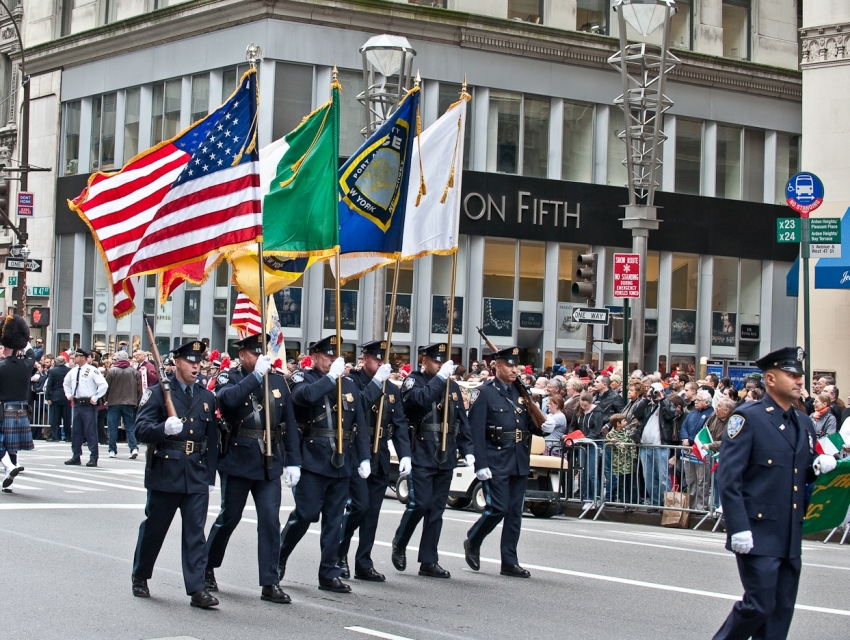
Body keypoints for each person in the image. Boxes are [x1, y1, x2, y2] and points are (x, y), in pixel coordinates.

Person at [713, 347, 837, 640]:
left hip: (789, 532)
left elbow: (798, 473)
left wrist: (818, 467)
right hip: (757, 531)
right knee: (759, 604)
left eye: (800, 376)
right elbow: (729, 477)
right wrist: (738, 527)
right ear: (770, 378)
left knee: (781, 611)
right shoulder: (748, 418)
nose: (799, 381)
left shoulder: (803, 423)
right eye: (791, 375)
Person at [205, 333, 301, 604]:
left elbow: (289, 424)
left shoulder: (279, 380)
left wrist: (294, 461)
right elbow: (228, 401)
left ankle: (270, 582)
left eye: (262, 354)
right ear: (242, 355)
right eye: (254, 354)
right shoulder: (230, 377)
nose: (260, 359)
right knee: (230, 517)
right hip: (238, 458)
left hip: (270, 461)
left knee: (270, 522)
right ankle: (207, 565)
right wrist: (255, 377)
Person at [278, 336, 370, 594]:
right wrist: (330, 379)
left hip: (342, 462)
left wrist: (364, 457)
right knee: (305, 515)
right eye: (327, 356)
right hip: (312, 461)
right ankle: (279, 556)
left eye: (335, 356)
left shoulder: (349, 384)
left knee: (334, 520)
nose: (332, 360)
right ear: (315, 356)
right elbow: (303, 398)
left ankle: (328, 573)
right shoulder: (302, 378)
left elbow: (359, 424)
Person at [131, 340, 219, 608]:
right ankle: (141, 574)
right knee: (155, 529)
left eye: (199, 362)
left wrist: (210, 476)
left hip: (195, 472)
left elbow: (212, 440)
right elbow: (140, 429)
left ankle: (196, 589)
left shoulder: (206, 397)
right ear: (177, 362)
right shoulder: (158, 393)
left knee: (195, 533)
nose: (196, 366)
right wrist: (162, 429)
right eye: (191, 361)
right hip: (166, 470)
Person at [392, 343, 474, 579]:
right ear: (423, 361)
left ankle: (429, 560)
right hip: (422, 451)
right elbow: (418, 400)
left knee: (437, 509)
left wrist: (468, 450)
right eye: (435, 361)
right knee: (420, 503)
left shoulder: (453, 386)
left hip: (445, 453)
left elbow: (461, 421)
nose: (439, 365)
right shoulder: (414, 382)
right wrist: (440, 377)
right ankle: (400, 541)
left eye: (442, 362)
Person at [337, 341, 412, 582]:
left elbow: (399, 424)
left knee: (372, 512)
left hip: (379, 453)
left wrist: (405, 454)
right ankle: (339, 554)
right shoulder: (351, 381)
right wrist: (377, 382)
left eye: (384, 360)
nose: (381, 364)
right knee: (358, 507)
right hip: (355, 453)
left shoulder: (391, 388)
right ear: (364, 358)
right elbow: (358, 404)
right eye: (376, 359)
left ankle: (364, 562)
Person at [464, 347, 538, 578]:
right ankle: (473, 539)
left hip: (518, 457)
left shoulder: (521, 393)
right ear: (496, 366)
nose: (514, 369)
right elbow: (475, 431)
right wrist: (480, 464)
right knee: (498, 508)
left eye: (516, 365)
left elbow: (530, 424)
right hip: (495, 458)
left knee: (515, 512)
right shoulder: (484, 393)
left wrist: (543, 427)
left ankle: (509, 561)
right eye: (509, 365)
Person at [0, 315, 36, 489]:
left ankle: (10, 466)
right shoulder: (27, 364)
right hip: (21, 410)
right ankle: (8, 480)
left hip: (3, 409)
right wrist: (23, 339)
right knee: (12, 446)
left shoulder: (1, 366)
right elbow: (31, 353)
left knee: (2, 444)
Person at [62, 348, 108, 467]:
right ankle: (76, 455)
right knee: (76, 431)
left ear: (82, 357)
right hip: (77, 404)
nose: (73, 358)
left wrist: (95, 397)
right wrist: (68, 395)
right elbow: (66, 383)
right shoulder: (73, 371)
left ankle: (93, 457)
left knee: (90, 431)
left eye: (76, 356)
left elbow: (103, 385)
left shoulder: (92, 370)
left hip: (88, 404)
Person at [679, 389, 714, 510]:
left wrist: (691, 440)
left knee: (701, 480)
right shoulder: (692, 413)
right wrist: (684, 438)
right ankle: (691, 505)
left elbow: (705, 431)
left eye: (699, 400)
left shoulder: (711, 413)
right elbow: (683, 426)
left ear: (706, 402)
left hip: (702, 451)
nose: (696, 402)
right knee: (690, 479)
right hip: (689, 452)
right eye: (696, 400)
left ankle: (701, 506)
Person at [104, 351, 140, 459]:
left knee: (112, 427)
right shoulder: (134, 371)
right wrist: (136, 400)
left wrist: (106, 399)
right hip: (129, 402)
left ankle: (112, 450)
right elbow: (139, 388)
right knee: (130, 426)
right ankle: (133, 448)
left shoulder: (112, 371)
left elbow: (106, 387)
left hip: (114, 402)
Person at [605, 413, 637, 507]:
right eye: (624, 421)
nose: (626, 422)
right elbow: (608, 444)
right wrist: (613, 442)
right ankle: (624, 501)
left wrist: (633, 456)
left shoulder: (627, 432)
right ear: (618, 424)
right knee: (621, 484)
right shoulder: (611, 434)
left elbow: (631, 443)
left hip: (628, 462)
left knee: (630, 483)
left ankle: (632, 501)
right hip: (618, 464)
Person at [44, 355, 72, 442]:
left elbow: (49, 385)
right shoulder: (69, 370)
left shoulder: (52, 371)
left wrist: (48, 397)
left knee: (55, 418)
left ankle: (55, 436)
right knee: (67, 418)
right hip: (66, 396)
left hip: (55, 396)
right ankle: (68, 436)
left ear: (56, 362)